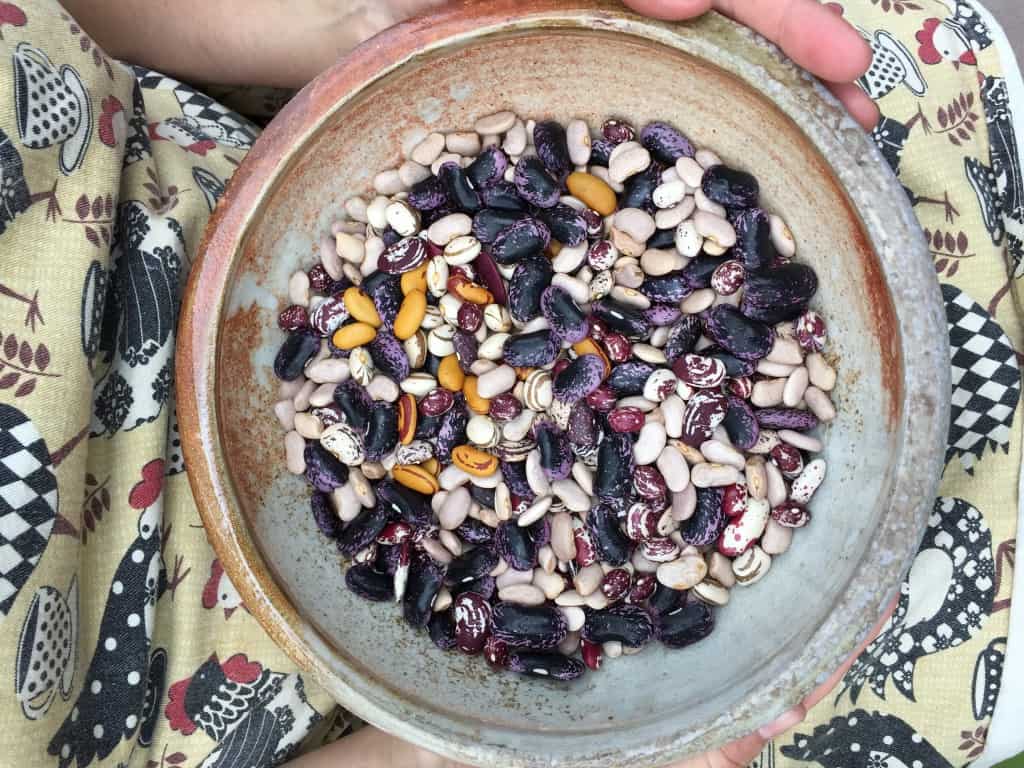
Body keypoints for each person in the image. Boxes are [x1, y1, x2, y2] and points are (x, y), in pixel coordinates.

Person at [0, 1, 1018, 767]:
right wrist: (452, 752)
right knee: (923, 665)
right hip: (279, 708)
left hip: (213, 141)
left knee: (899, 54)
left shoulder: (550, 299)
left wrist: (377, 17)